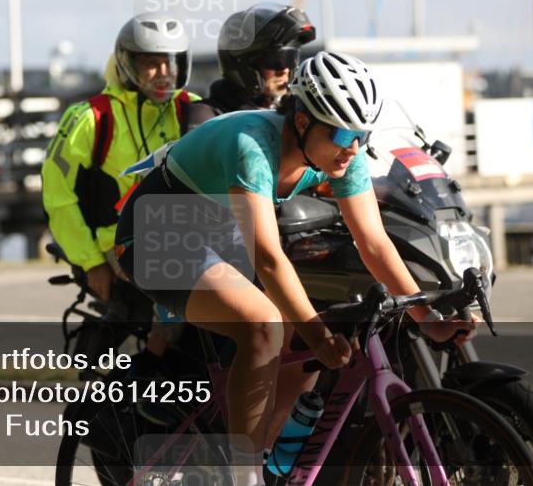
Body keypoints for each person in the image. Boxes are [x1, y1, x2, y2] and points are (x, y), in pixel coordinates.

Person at [114, 51, 477, 486]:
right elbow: (268, 258)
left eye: (361, 134)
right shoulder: (252, 145)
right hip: (155, 234)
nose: (353, 147)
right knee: (266, 324)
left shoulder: (347, 154)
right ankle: (243, 476)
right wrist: (319, 336)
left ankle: (261, 453)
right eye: (343, 133)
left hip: (219, 234)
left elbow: (374, 242)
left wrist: (427, 319)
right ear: (303, 122)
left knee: (293, 330)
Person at [41, 13, 198, 362]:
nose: (163, 73)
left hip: (187, 236)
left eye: (169, 62)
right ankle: (151, 370)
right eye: (150, 63)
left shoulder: (194, 110)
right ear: (127, 64)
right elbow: (58, 197)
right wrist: (91, 262)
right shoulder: (90, 118)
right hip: (120, 245)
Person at [186, 2, 315, 129]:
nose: (285, 70)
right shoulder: (207, 117)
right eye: (277, 60)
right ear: (243, 64)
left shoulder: (291, 113)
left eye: (290, 59)